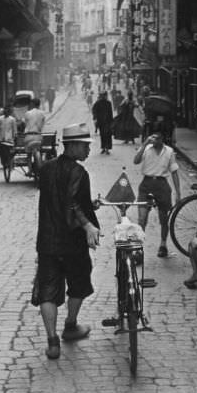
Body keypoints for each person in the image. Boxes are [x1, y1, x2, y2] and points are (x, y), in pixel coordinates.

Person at [35, 122, 100, 360]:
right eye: (85, 146)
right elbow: (71, 202)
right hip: (71, 242)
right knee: (79, 282)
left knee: (48, 290)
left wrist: (87, 205)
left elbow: (60, 198)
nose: (88, 150)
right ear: (72, 146)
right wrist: (88, 224)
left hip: (47, 241)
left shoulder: (47, 169)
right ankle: (70, 326)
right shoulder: (79, 173)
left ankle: (52, 342)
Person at [133, 125, 181, 258]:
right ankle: (138, 249)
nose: (154, 140)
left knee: (163, 218)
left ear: (163, 139)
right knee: (142, 218)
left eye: (158, 137)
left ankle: (163, 244)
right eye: (153, 137)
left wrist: (178, 192)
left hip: (162, 185)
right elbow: (135, 161)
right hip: (146, 184)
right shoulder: (146, 149)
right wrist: (144, 144)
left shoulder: (169, 152)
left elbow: (174, 172)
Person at [92, 90, 114, 154]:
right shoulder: (98, 103)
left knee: (107, 135)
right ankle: (104, 148)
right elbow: (94, 110)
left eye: (105, 95)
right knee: (103, 135)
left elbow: (110, 113)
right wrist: (95, 117)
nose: (104, 96)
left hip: (107, 122)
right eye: (103, 95)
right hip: (101, 122)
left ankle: (107, 148)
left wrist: (112, 122)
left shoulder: (108, 103)